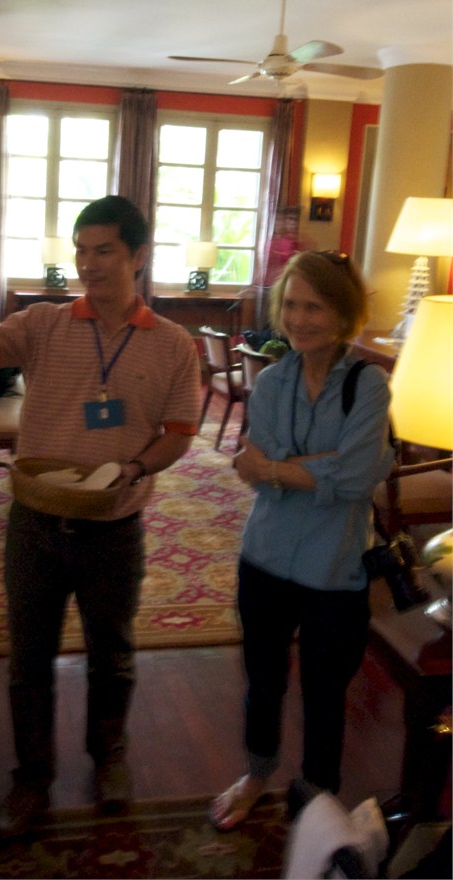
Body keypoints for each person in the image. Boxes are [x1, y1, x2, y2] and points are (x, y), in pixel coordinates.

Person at [0, 195, 202, 841]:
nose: (88, 264)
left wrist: (134, 468)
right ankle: (31, 778)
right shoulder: (46, 323)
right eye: (81, 251)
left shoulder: (173, 345)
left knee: (113, 653)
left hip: (115, 524)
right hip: (37, 523)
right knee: (28, 660)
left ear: (138, 255)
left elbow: (180, 432)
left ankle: (109, 757)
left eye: (104, 251)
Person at [209, 250, 394, 831]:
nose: (298, 319)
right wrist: (324, 466)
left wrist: (275, 467)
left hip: (335, 567)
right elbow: (261, 468)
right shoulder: (270, 382)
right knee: (262, 681)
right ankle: (257, 774)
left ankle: (316, 792)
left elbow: (357, 478)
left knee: (325, 691)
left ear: (343, 315)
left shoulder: (368, 386)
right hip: (264, 556)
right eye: (291, 304)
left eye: (314, 307)